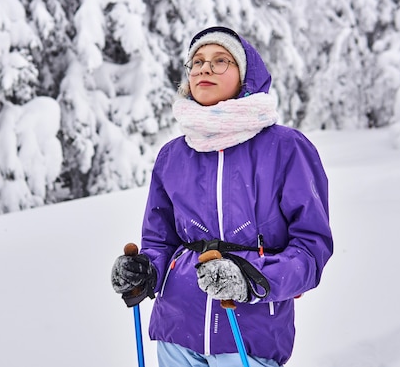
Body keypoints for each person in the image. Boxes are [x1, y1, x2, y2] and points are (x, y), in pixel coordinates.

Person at [111, 26, 333, 367]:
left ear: (245, 75)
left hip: (249, 334)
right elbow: (159, 239)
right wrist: (145, 270)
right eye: (197, 61)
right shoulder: (173, 155)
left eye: (220, 61)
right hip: (176, 329)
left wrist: (251, 277)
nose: (204, 68)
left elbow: (310, 250)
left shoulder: (286, 148)